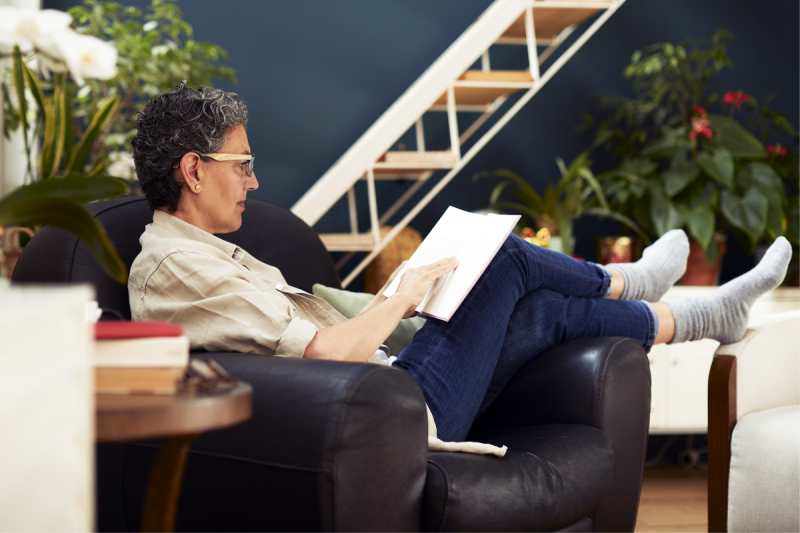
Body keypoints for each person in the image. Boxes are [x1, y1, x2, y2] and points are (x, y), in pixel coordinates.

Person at [129, 84, 791, 443]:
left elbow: (310, 338)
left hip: (387, 387)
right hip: (389, 412)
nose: (252, 180)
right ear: (193, 170)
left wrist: (399, 296)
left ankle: (705, 313)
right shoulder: (174, 267)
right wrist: (403, 295)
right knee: (499, 257)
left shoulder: (201, 255)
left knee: (535, 305)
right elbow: (325, 353)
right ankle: (631, 280)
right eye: (241, 165)